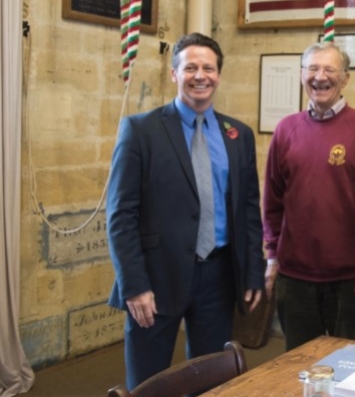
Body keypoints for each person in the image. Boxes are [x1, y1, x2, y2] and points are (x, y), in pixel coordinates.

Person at [106, 32, 264, 390]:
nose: (200, 75)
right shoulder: (140, 130)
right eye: (190, 67)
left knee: (210, 380)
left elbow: (248, 210)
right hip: (155, 280)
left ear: (219, 75)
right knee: (148, 384)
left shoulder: (238, 134)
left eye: (208, 67)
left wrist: (253, 272)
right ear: (174, 73)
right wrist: (134, 286)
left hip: (218, 277)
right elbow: (120, 216)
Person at [262, 42, 355, 351]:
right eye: (312, 68)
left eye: (329, 69)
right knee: (298, 365)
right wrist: (272, 257)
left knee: (352, 364)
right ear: (301, 75)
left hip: (349, 277)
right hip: (294, 277)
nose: (320, 77)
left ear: (345, 78)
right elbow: (272, 201)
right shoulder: (286, 129)